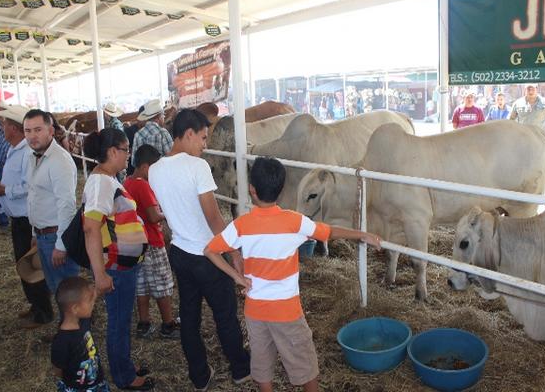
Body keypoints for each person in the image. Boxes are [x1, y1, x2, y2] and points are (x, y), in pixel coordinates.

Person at [203, 157, 383, 392]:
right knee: (305, 364)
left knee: (262, 365)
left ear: (252, 190)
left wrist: (237, 277)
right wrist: (362, 234)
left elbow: (210, 250)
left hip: (255, 310)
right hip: (286, 311)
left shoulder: (241, 225)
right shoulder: (294, 222)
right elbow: (328, 233)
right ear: (281, 191)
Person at [149, 109, 250, 391]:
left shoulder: (155, 169)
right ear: (189, 133)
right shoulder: (197, 167)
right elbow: (214, 218)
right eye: (203, 138)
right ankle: (241, 368)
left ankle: (199, 375)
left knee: (190, 317)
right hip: (208, 255)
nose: (205, 145)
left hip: (179, 253)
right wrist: (234, 252)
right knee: (225, 315)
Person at [82, 128, 154, 391]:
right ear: (113, 151)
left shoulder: (108, 179)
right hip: (115, 267)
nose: (128, 156)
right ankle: (124, 377)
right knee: (119, 320)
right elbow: (91, 227)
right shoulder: (101, 182)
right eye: (126, 150)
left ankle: (124, 363)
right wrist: (100, 274)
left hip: (120, 265)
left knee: (122, 317)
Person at [0, 105, 54, 328]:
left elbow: (29, 186)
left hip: (27, 218)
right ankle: (36, 305)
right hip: (20, 218)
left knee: (31, 263)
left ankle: (43, 311)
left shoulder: (26, 152)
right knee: (23, 262)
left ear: (14, 128)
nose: (2, 128)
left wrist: (5, 190)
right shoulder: (15, 148)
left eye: (5, 124)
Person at [122, 144, 178, 339]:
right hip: (152, 240)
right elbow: (153, 216)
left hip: (136, 242)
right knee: (162, 283)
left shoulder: (127, 182)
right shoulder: (143, 185)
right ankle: (168, 324)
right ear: (146, 167)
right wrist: (169, 211)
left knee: (142, 284)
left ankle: (144, 324)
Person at [24, 109, 79, 294]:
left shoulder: (59, 161)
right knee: (58, 290)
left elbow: (67, 206)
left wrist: (61, 246)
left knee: (69, 294)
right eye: (28, 131)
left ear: (51, 131)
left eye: (38, 130)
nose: (32, 136)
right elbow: (35, 196)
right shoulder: (34, 157)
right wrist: (34, 232)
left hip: (56, 236)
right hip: (43, 236)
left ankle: (79, 324)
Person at [51, 277, 110, 392]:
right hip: (77, 388)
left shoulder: (83, 320)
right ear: (75, 308)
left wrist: (98, 286)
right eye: (90, 301)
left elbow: (94, 293)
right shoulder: (62, 341)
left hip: (97, 382)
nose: (93, 303)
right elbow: (58, 369)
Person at [131, 99, 173, 167]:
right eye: (163, 115)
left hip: (144, 176)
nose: (164, 117)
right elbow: (172, 158)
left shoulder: (138, 135)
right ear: (159, 117)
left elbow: (134, 162)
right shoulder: (163, 133)